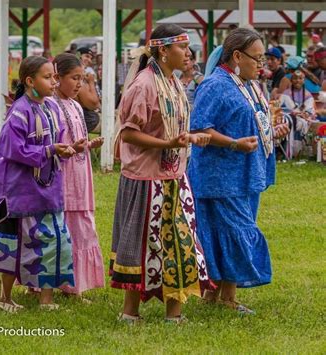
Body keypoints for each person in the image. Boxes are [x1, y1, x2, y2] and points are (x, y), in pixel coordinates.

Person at [111, 24, 213, 324]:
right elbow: (128, 134)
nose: (189, 53)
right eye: (183, 47)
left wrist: (189, 138)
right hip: (145, 180)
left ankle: (174, 313)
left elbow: (172, 129)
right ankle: (130, 313)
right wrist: (168, 143)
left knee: (178, 245)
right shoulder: (144, 84)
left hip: (173, 177)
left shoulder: (174, 82)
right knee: (142, 245)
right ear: (163, 50)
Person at [188, 28, 290, 314]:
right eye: (256, 58)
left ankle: (215, 295)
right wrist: (233, 143)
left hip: (245, 172)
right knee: (234, 231)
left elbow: (249, 122)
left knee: (225, 231)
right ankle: (227, 298)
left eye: (263, 58)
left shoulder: (246, 85)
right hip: (220, 175)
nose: (261, 64)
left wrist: (273, 132)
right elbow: (199, 126)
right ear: (236, 56)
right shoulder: (216, 85)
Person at [0, 56, 79, 312]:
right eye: (48, 77)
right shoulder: (19, 111)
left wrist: (66, 149)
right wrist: (49, 150)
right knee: (13, 244)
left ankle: (46, 299)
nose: (54, 82)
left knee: (55, 241)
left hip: (49, 187)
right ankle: (4, 298)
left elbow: (55, 143)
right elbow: (12, 148)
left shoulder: (52, 108)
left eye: (55, 76)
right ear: (30, 81)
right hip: (19, 190)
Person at [52, 53, 105, 299]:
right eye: (74, 78)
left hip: (80, 175)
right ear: (57, 77)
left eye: (81, 80)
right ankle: (64, 284)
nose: (78, 85)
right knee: (66, 229)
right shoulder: (50, 106)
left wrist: (87, 146)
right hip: (62, 178)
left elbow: (75, 140)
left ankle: (77, 283)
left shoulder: (75, 105)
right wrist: (72, 147)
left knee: (82, 228)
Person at [279, 70, 316, 159]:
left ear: (304, 80)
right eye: (295, 78)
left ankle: (298, 153)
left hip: (303, 120)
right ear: (291, 80)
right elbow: (278, 107)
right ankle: (287, 153)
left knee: (301, 123)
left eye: (300, 78)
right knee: (294, 122)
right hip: (289, 119)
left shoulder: (307, 95)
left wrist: (304, 114)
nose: (297, 81)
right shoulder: (286, 94)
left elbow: (309, 111)